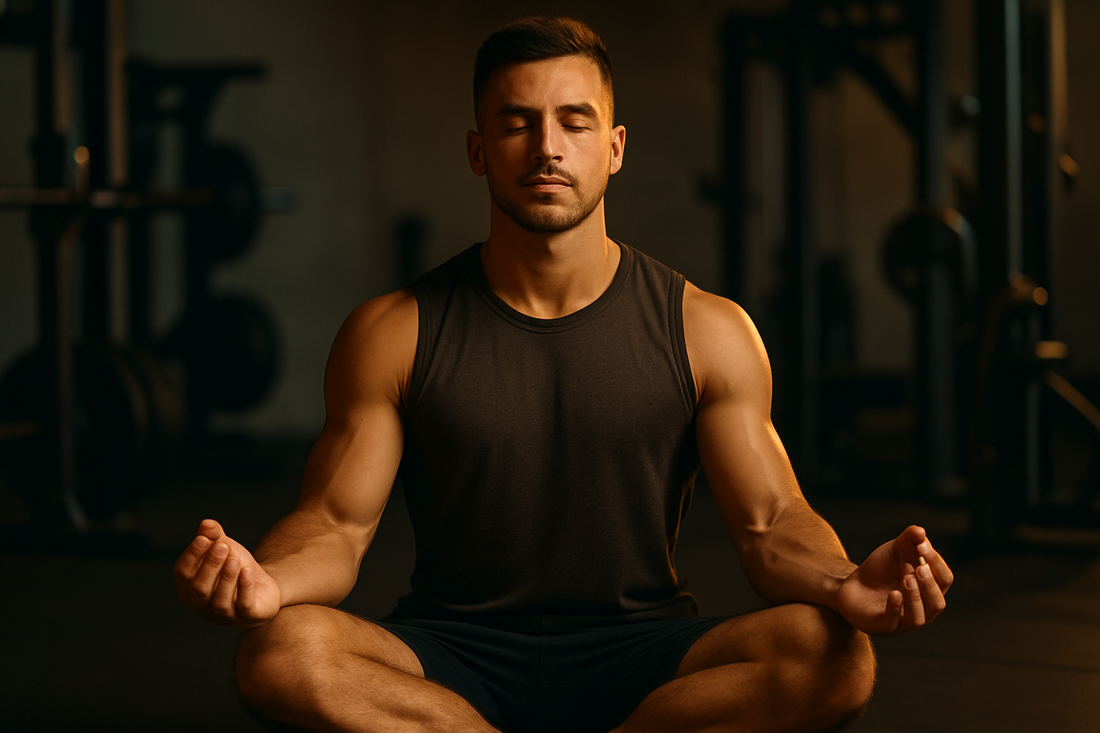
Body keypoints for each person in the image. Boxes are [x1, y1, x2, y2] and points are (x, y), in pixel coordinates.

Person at [174, 16, 953, 733]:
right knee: (278, 650)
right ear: (479, 150)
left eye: (573, 122)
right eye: (517, 123)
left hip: (645, 651)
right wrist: (268, 579)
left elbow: (771, 520)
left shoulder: (707, 328)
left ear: (612, 147)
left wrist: (844, 578)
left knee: (835, 654)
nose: (547, 146)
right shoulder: (393, 330)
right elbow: (336, 526)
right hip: (450, 653)